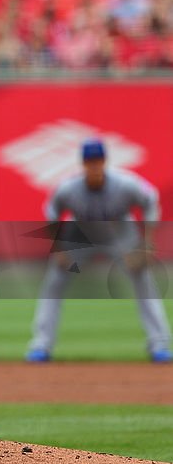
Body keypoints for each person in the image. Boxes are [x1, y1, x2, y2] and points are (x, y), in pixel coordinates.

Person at [27, 139, 172, 363]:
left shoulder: (125, 183)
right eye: (89, 162)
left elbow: (150, 201)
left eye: (97, 161)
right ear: (82, 164)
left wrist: (146, 245)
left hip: (120, 234)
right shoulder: (69, 188)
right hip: (80, 235)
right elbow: (52, 210)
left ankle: (159, 344)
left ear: (104, 161)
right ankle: (41, 345)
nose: (93, 166)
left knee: (143, 280)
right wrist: (58, 248)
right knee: (54, 281)